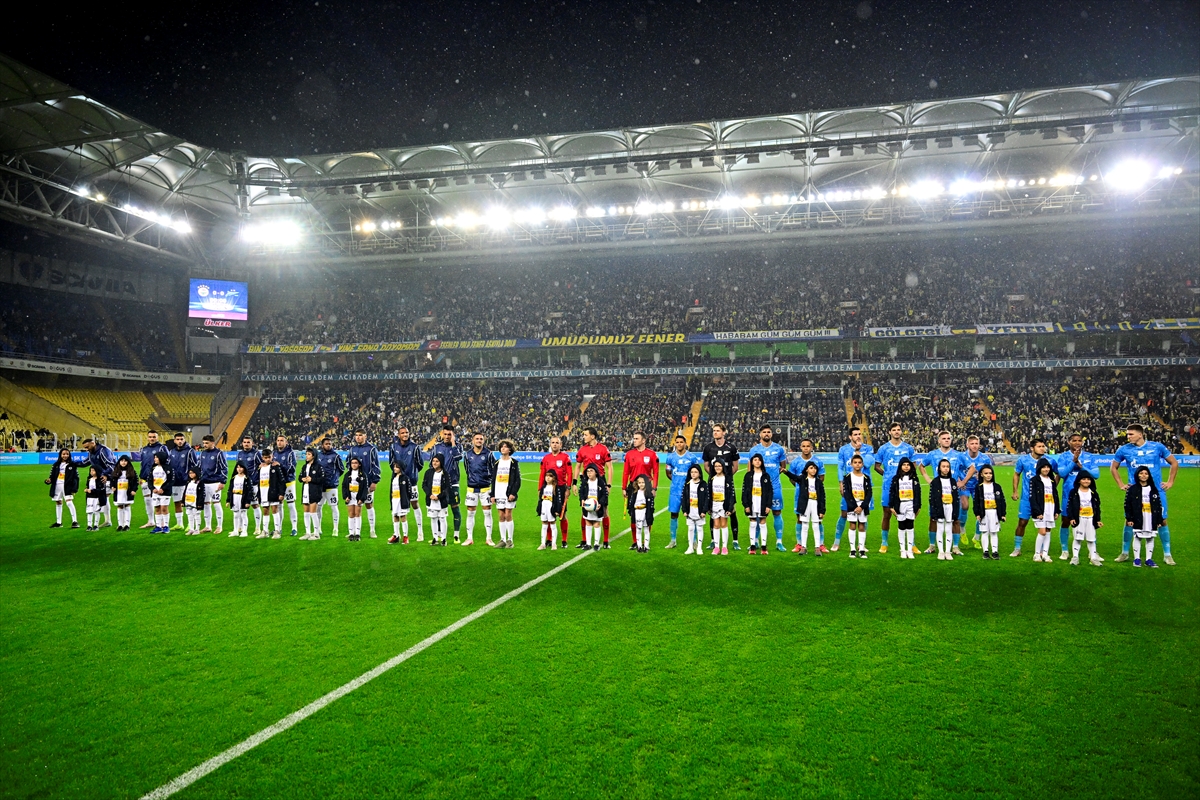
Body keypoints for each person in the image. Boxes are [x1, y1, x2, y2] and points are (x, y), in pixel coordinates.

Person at [1110, 424, 1179, 566]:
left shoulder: (1157, 447)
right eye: (1127, 434)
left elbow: (1173, 462)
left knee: (1162, 520)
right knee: (1129, 520)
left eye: (1130, 434)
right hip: (1135, 492)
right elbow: (1113, 467)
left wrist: (1170, 482)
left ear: (1140, 434)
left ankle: (1167, 554)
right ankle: (1124, 552)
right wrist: (1121, 484)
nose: (1128, 437)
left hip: (1156, 491)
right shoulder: (1124, 450)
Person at [1054, 433, 1106, 561]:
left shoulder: (1089, 456)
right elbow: (1062, 473)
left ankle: (1092, 552)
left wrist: (1080, 465)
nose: (1077, 443)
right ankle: (1065, 550)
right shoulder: (1064, 456)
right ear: (1069, 442)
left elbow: (1096, 474)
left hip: (1088, 495)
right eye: (1074, 440)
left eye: (1079, 440)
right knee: (1066, 521)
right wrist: (1073, 462)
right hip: (1069, 494)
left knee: (1092, 522)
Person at [874, 422, 916, 555]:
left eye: (898, 430)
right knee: (887, 513)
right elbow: (877, 466)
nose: (897, 432)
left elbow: (913, 465)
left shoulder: (908, 448)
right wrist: (887, 475)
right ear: (889, 432)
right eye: (894, 430)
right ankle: (884, 542)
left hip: (905, 486)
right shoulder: (884, 448)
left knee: (909, 514)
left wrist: (907, 477)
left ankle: (911, 544)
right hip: (888, 485)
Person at [917, 431, 960, 555]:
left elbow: (970, 467)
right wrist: (929, 480)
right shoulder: (932, 454)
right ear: (939, 441)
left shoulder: (958, 455)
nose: (946, 440)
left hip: (951, 491)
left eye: (948, 438)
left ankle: (955, 547)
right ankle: (932, 546)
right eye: (944, 438)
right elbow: (921, 466)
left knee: (954, 519)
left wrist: (962, 482)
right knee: (933, 518)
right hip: (937, 491)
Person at [748, 425, 789, 551]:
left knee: (777, 512)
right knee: (758, 514)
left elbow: (783, 466)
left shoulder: (779, 449)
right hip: (758, 488)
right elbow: (750, 470)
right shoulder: (754, 450)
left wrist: (773, 477)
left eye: (769, 432)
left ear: (771, 434)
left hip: (775, 487)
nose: (766, 434)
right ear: (760, 434)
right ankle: (755, 542)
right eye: (764, 432)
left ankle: (779, 542)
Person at [834, 428, 876, 553]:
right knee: (844, 513)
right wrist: (841, 483)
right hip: (849, 486)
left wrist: (858, 451)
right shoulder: (843, 450)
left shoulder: (868, 449)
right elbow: (840, 467)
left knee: (864, 515)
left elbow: (868, 464)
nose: (858, 436)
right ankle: (837, 542)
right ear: (850, 436)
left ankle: (860, 545)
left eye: (859, 434)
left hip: (864, 487)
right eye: (855, 434)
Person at [1010, 439, 1051, 558]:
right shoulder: (1023, 460)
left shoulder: (1049, 461)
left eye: (1043, 446)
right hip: (1027, 498)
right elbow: (1017, 474)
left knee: (1046, 525)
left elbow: (1056, 475)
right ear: (1032, 448)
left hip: (1043, 500)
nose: (1042, 448)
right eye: (1039, 446)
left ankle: (1043, 551)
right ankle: (1017, 548)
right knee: (1022, 522)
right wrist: (1015, 491)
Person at [702, 423, 740, 550]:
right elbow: (706, 465)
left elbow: (735, 466)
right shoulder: (708, 448)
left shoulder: (731, 447)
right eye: (714, 431)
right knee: (712, 510)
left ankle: (735, 540)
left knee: (732, 510)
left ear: (724, 432)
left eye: (718, 431)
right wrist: (714, 476)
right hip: (713, 483)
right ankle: (714, 540)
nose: (715, 433)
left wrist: (725, 478)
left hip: (728, 483)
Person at [785, 438, 827, 553]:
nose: (806, 448)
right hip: (800, 496)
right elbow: (792, 478)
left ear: (812, 447)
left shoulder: (818, 461)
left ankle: (821, 544)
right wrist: (802, 487)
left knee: (818, 519)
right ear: (801, 447)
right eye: (803, 446)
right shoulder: (795, 462)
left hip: (815, 497)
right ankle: (800, 544)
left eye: (808, 446)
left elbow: (822, 477)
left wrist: (813, 487)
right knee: (799, 519)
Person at [575, 427, 614, 548]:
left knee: (604, 511)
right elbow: (577, 466)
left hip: (600, 482)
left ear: (592, 436)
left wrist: (608, 484)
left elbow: (610, 467)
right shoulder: (582, 450)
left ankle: (606, 541)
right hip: (586, 481)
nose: (583, 437)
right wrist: (574, 483)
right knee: (585, 510)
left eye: (585, 435)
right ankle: (584, 540)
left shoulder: (603, 449)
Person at [664, 434, 703, 549]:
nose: (679, 444)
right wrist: (676, 481)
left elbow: (697, 473)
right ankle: (673, 540)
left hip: (689, 491)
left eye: (681, 442)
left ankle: (694, 541)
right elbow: (668, 472)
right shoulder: (670, 457)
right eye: (677, 442)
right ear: (674, 443)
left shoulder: (691, 457)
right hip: (675, 491)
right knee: (674, 514)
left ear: (685, 443)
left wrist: (687, 484)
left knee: (692, 515)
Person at [622, 431, 660, 550]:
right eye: (634, 438)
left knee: (648, 513)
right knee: (633, 514)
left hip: (647, 486)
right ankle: (636, 542)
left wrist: (654, 487)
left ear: (643, 440)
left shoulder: (652, 454)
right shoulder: (629, 454)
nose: (634, 440)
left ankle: (645, 542)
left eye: (637, 438)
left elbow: (656, 472)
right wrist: (624, 487)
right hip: (633, 486)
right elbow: (626, 472)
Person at [955, 435, 993, 553]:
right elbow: (956, 471)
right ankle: (962, 530)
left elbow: (989, 472)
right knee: (964, 505)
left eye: (976, 443)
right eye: (972, 443)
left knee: (981, 511)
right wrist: (959, 482)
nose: (974, 446)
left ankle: (976, 537)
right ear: (967, 445)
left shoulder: (984, 458)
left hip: (978, 487)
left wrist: (982, 477)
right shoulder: (961, 457)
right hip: (965, 486)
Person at [388, 425, 424, 541]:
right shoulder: (393, 447)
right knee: (396, 507)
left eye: (407, 432)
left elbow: (420, 464)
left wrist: (411, 474)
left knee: (415, 504)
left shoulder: (415, 447)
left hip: (411, 482)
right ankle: (397, 534)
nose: (405, 434)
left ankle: (420, 532)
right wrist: (399, 476)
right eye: (402, 433)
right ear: (398, 435)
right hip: (397, 483)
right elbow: (391, 463)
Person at [1123, 465, 1163, 568]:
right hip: (1139, 517)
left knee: (1150, 537)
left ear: (1149, 475)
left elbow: (1158, 505)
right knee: (1138, 536)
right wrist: (1129, 518)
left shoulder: (1153, 489)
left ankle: (1148, 559)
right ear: (1137, 475)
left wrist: (1159, 519)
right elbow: (1128, 505)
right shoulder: (1133, 489)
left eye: (1146, 473)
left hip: (1150, 517)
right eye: (1141, 473)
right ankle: (1137, 559)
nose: (1143, 475)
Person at [463, 432, 498, 547]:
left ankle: (489, 538)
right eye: (477, 439)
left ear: (484, 441)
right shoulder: (468, 455)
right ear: (473, 441)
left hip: (485, 488)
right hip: (472, 488)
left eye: (481, 439)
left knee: (487, 512)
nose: (479, 440)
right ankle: (469, 538)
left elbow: (494, 469)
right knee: (470, 513)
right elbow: (467, 469)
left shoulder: (488, 454)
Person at [539, 436, 574, 549]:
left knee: (562, 514)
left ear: (561, 445)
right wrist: (540, 488)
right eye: (552, 442)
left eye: (557, 443)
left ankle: (564, 540)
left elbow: (570, 473)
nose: (554, 444)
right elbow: (542, 473)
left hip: (560, 488)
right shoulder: (546, 458)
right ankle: (548, 539)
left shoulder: (565, 457)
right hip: (548, 488)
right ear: (550, 444)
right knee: (548, 513)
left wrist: (568, 488)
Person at [430, 425, 464, 543]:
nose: (447, 436)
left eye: (450, 434)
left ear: (453, 435)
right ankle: (439, 535)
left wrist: (454, 444)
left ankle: (456, 535)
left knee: (455, 508)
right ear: (442, 434)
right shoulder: (436, 447)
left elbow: (458, 457)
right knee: (439, 509)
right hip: (439, 484)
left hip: (453, 482)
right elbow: (431, 464)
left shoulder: (458, 446)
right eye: (445, 434)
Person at [347, 429, 383, 539]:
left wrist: (374, 481)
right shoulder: (353, 449)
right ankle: (353, 531)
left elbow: (376, 466)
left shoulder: (371, 449)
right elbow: (348, 463)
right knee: (354, 505)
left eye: (360, 435)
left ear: (365, 436)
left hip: (367, 483)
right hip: (354, 483)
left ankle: (372, 530)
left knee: (368, 505)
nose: (358, 437)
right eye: (356, 435)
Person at [1064, 470, 1103, 566]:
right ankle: (1075, 557)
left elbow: (1097, 507)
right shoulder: (1074, 492)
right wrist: (1071, 518)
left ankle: (1093, 558)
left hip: (1090, 519)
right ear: (1079, 481)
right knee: (1077, 538)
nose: (1086, 481)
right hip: (1079, 519)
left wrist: (1098, 520)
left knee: (1091, 539)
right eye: (1084, 479)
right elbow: (1069, 506)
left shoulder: (1093, 493)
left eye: (1088, 479)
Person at [888, 457, 921, 560]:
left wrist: (918, 506)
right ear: (900, 466)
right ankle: (902, 550)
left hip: (911, 504)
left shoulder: (914, 478)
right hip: (900, 504)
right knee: (901, 526)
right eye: (904, 465)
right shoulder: (896, 478)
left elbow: (918, 492)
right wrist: (891, 506)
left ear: (910, 466)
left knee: (910, 525)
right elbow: (892, 493)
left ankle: (910, 550)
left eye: (908, 465)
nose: (906, 467)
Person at [841, 453, 873, 559]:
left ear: (863, 464)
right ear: (851, 464)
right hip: (852, 505)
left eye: (859, 463)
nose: (857, 464)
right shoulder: (847, 477)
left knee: (862, 526)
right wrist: (854, 506)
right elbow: (847, 493)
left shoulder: (866, 478)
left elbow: (869, 494)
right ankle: (852, 549)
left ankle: (862, 549)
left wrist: (862, 506)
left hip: (862, 506)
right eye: (855, 462)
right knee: (852, 525)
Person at [742, 452, 774, 554]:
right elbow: (744, 491)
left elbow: (770, 491)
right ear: (752, 462)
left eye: (759, 460)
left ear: (762, 462)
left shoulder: (765, 475)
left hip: (762, 503)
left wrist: (768, 505)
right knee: (752, 523)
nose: (757, 462)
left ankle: (764, 547)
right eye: (755, 460)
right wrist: (746, 505)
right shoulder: (748, 475)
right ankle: (752, 546)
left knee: (762, 523)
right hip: (752, 503)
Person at [491, 440, 522, 548]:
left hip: (508, 493)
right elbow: (493, 480)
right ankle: (502, 540)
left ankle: (510, 540)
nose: (503, 448)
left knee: (508, 514)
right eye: (502, 447)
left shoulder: (514, 463)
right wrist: (492, 495)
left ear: (510, 449)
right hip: (499, 492)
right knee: (501, 515)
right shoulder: (496, 463)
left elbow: (517, 480)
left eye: (505, 447)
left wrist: (513, 493)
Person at [971, 464, 1006, 560]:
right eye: (986, 473)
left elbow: (1002, 500)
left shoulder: (997, 486)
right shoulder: (979, 487)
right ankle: (985, 551)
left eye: (990, 473)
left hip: (994, 512)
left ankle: (995, 551)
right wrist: (977, 513)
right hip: (984, 513)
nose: (988, 475)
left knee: (994, 532)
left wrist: (1003, 514)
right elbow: (976, 501)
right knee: (985, 532)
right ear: (981, 474)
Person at [164, 432, 198, 531]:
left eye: (181, 439)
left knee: (189, 503)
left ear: (184, 440)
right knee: (177, 502)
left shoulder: (190, 451)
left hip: (185, 482)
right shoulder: (172, 451)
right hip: (175, 482)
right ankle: (180, 524)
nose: (179, 441)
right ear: (174, 440)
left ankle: (191, 524)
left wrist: (192, 479)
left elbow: (195, 465)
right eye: (178, 439)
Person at [1028, 457, 1059, 563]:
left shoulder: (1051, 480)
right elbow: (1032, 497)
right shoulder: (1034, 480)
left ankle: (1045, 554)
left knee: (1048, 531)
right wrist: (1037, 511)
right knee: (1042, 532)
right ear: (1039, 468)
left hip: (1050, 508)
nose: (1046, 469)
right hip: (1041, 510)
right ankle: (1037, 554)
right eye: (1044, 467)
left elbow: (1055, 495)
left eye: (1047, 467)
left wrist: (1056, 511)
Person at [792, 460, 826, 556]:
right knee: (805, 525)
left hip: (815, 504)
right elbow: (794, 477)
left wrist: (822, 510)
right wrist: (786, 472)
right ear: (806, 469)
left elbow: (822, 496)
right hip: (805, 505)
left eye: (815, 468)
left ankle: (817, 547)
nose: (814, 470)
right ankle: (803, 547)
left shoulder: (818, 482)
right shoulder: (802, 479)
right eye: (811, 468)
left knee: (816, 526)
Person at [81, 438, 117, 528]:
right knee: (104, 497)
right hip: (100, 478)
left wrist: (105, 474)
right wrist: (71, 463)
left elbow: (111, 465)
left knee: (104, 497)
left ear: (93, 443)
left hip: (108, 477)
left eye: (87, 447)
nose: (86, 449)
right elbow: (84, 463)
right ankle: (107, 520)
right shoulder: (91, 453)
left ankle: (108, 520)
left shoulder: (103, 450)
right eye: (85, 448)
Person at [136, 432, 168, 529]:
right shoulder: (144, 449)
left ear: (157, 437)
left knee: (159, 500)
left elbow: (167, 461)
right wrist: (141, 476)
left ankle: (162, 522)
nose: (152, 438)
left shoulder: (162, 448)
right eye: (150, 437)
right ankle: (151, 521)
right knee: (147, 500)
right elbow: (143, 463)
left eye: (154, 437)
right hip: (145, 479)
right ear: (147, 438)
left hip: (158, 478)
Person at [198, 435, 228, 534]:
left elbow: (224, 468)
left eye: (207, 443)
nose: (204, 445)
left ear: (213, 443)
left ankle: (219, 526)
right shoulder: (202, 453)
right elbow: (199, 467)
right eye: (204, 443)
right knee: (206, 504)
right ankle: (208, 526)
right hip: (204, 482)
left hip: (215, 482)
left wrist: (222, 481)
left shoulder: (219, 453)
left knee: (216, 504)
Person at [929, 458, 958, 561]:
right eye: (943, 467)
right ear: (939, 468)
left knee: (949, 529)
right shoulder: (935, 482)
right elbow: (932, 498)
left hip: (950, 506)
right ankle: (941, 551)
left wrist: (955, 511)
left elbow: (956, 498)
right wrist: (934, 512)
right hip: (940, 507)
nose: (946, 469)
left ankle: (947, 551)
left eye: (947, 467)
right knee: (940, 529)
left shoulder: (953, 481)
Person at [235, 436, 264, 535]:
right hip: (241, 484)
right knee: (240, 505)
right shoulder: (239, 454)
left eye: (248, 442)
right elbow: (237, 468)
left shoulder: (256, 454)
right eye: (244, 442)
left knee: (255, 505)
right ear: (242, 443)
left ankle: (257, 527)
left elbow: (262, 465)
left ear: (252, 443)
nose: (246, 444)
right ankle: (240, 527)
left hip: (253, 484)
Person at [317, 437, 346, 536]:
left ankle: (335, 529)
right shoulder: (318, 455)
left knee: (334, 507)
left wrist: (334, 478)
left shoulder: (335, 456)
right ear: (322, 445)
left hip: (331, 486)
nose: (328, 445)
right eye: (326, 444)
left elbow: (342, 469)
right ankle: (318, 528)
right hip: (320, 486)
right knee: (318, 507)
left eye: (330, 444)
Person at [422, 453, 452, 546]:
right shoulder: (428, 472)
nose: (434, 463)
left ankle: (443, 538)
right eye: (433, 461)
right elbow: (424, 485)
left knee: (442, 519)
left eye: (437, 461)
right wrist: (430, 494)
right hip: (431, 500)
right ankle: (435, 538)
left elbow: (447, 488)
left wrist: (439, 496)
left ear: (441, 462)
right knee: (433, 518)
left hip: (441, 500)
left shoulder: (445, 474)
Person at [255, 449, 287, 539]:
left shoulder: (275, 467)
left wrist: (281, 493)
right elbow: (258, 482)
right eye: (266, 458)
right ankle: (265, 531)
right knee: (265, 511)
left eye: (269, 457)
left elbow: (282, 481)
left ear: (272, 456)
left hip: (273, 492)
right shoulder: (260, 468)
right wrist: (258, 495)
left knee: (275, 510)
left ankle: (277, 531)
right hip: (263, 492)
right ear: (262, 458)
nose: (268, 459)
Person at [577, 463, 609, 551]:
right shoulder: (585, 481)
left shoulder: (600, 482)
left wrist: (600, 503)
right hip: (587, 506)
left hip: (597, 506)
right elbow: (581, 492)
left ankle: (596, 543)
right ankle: (588, 543)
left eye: (591, 471)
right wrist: (582, 499)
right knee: (587, 522)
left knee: (596, 523)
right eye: (587, 471)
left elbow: (604, 494)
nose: (589, 473)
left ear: (596, 472)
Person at [45, 448, 79, 529]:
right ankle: (59, 522)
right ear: (60, 455)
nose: (65, 456)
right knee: (58, 502)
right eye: (63, 454)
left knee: (69, 502)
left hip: (67, 486)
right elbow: (52, 476)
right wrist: (48, 481)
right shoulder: (56, 465)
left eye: (67, 454)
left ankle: (75, 521)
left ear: (69, 455)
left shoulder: (72, 465)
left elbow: (76, 477)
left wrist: (74, 489)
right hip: (57, 485)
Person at [273, 435, 300, 537]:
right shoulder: (274, 453)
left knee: (290, 504)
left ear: (286, 442)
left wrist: (280, 467)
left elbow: (292, 467)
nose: (279, 442)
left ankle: (294, 528)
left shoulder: (290, 453)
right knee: (279, 505)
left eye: (281, 441)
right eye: (278, 440)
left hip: (289, 482)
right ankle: (278, 528)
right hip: (278, 483)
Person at [681, 464, 710, 555]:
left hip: (699, 511)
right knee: (690, 528)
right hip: (690, 511)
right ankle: (690, 547)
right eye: (692, 472)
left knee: (700, 528)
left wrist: (704, 511)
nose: (693, 474)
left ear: (699, 473)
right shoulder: (687, 484)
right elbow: (684, 498)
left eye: (695, 472)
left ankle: (699, 548)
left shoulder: (703, 484)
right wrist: (684, 510)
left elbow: (706, 498)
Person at [341, 455, 372, 541]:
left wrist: (362, 498)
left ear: (359, 464)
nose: (354, 464)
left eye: (356, 463)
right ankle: (351, 533)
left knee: (357, 514)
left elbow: (365, 488)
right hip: (350, 496)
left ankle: (357, 533)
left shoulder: (363, 475)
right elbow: (344, 486)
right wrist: (345, 496)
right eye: (352, 463)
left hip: (358, 497)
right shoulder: (347, 474)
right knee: (351, 514)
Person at [708, 457, 735, 555]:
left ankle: (724, 547)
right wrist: (708, 506)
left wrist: (730, 507)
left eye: (719, 466)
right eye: (716, 466)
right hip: (714, 504)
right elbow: (708, 493)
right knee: (716, 525)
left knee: (723, 524)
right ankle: (716, 547)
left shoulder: (727, 478)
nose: (718, 468)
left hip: (724, 504)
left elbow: (731, 493)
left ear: (723, 466)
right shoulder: (712, 478)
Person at [386, 454, 414, 545]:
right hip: (394, 500)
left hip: (402, 501)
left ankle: (405, 536)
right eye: (394, 467)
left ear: (401, 468)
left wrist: (407, 499)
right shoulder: (393, 478)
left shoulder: (405, 478)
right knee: (395, 517)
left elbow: (409, 490)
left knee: (403, 517)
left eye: (397, 467)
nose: (395, 468)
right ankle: (396, 535)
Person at [298, 447, 324, 540]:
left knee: (313, 512)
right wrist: (303, 479)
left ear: (313, 456)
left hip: (314, 491)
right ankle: (308, 532)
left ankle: (316, 534)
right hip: (305, 489)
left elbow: (322, 479)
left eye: (309, 454)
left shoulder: (319, 467)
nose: (306, 456)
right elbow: (299, 477)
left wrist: (312, 479)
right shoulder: (305, 466)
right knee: (306, 513)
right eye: (306, 454)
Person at [537, 469, 567, 551]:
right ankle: (542, 543)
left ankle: (554, 543)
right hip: (544, 507)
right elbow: (540, 499)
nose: (548, 478)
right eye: (546, 476)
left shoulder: (556, 488)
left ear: (554, 478)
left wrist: (557, 510)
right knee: (544, 524)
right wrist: (539, 509)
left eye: (550, 476)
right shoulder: (543, 487)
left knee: (553, 524)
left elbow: (558, 500)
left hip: (551, 507)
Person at [226, 460, 256, 538]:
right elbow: (230, 489)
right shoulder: (234, 478)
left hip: (242, 498)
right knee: (235, 514)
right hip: (234, 497)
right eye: (238, 467)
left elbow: (250, 491)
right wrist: (228, 500)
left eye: (241, 467)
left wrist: (248, 501)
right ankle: (235, 530)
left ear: (244, 468)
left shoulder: (247, 478)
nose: (239, 469)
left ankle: (244, 531)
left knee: (243, 514)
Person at [626, 474, 655, 553]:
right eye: (639, 483)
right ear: (637, 484)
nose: (641, 484)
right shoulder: (635, 493)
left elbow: (651, 505)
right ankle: (639, 546)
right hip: (637, 513)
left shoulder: (648, 494)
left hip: (645, 512)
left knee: (646, 529)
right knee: (638, 529)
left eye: (643, 482)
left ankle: (646, 546)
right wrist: (631, 512)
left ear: (646, 483)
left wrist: (650, 513)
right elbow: (632, 504)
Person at [112, 455, 138, 531]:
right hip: (119, 492)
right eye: (122, 461)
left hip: (127, 492)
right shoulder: (116, 471)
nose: (123, 462)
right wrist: (112, 486)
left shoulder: (132, 471)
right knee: (120, 507)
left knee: (127, 506)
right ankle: (120, 524)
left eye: (125, 461)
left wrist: (134, 490)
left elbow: (135, 482)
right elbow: (112, 480)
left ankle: (127, 524)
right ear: (119, 462)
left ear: (128, 462)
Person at [149, 451, 173, 533]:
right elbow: (150, 480)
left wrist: (163, 488)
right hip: (155, 492)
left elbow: (171, 480)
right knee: (157, 508)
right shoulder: (153, 468)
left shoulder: (168, 468)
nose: (155, 459)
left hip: (165, 492)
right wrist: (152, 488)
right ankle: (158, 526)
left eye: (156, 457)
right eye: (154, 457)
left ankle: (166, 526)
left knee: (164, 508)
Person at [84, 465, 107, 531]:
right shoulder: (89, 479)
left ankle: (96, 525)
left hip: (97, 497)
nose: (92, 472)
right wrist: (86, 489)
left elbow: (101, 489)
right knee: (89, 511)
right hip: (89, 497)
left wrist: (92, 491)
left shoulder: (100, 479)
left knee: (96, 511)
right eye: (91, 470)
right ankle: (89, 525)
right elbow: (87, 486)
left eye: (93, 470)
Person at [183, 466, 205, 535]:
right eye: (190, 473)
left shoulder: (200, 482)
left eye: (192, 473)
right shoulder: (188, 482)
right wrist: (183, 501)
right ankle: (191, 529)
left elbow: (201, 493)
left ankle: (197, 529)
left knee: (196, 515)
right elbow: (185, 491)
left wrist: (200, 503)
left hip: (195, 502)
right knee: (189, 515)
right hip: (188, 502)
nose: (191, 474)